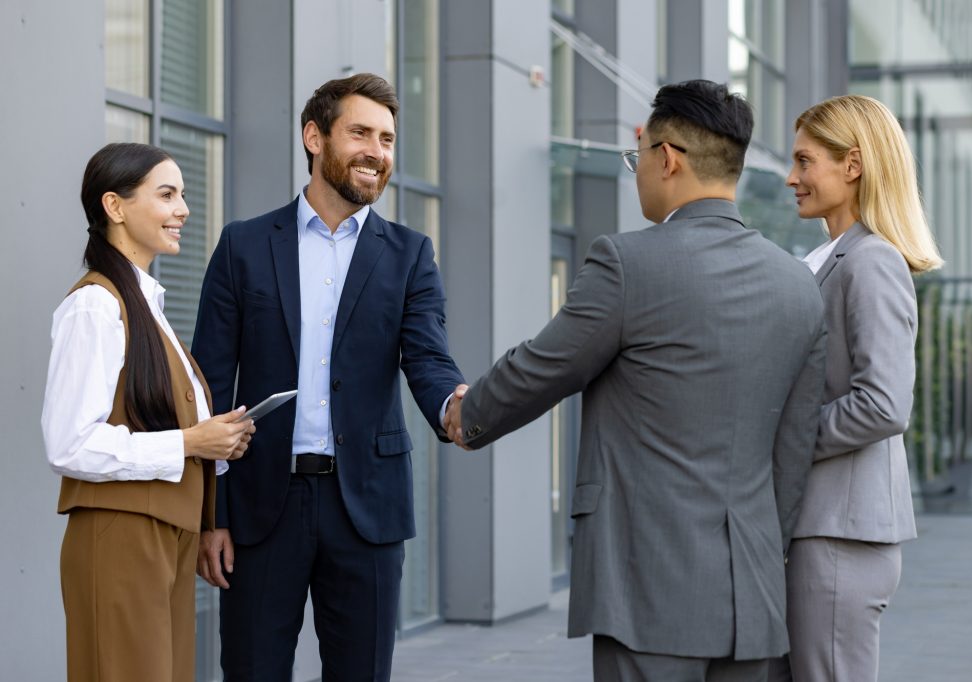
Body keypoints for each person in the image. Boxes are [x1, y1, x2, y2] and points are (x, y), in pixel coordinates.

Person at [444, 79, 827, 682]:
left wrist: (468, 415)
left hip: (646, 589)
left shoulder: (629, 263)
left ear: (668, 157)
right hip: (753, 597)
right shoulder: (798, 284)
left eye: (638, 155)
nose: (638, 170)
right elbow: (794, 449)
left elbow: (548, 364)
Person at [191, 73, 466, 681]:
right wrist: (212, 515)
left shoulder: (410, 253)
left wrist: (455, 404)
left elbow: (428, 358)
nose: (378, 151)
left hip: (366, 508)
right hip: (262, 508)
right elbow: (206, 386)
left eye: (389, 139)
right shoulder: (243, 245)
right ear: (315, 137)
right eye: (361, 132)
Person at [41, 142, 255, 682]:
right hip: (122, 538)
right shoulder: (95, 305)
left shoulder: (144, 304)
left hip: (163, 536)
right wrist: (190, 443)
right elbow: (69, 443)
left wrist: (217, 442)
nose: (183, 208)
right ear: (115, 206)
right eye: (167, 195)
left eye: (182, 194)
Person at [768, 95, 943, 682]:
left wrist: (783, 441)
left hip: (839, 534)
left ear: (853, 164)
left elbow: (883, 404)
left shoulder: (872, 261)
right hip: (822, 528)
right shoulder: (827, 258)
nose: (792, 178)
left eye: (804, 161)